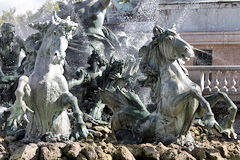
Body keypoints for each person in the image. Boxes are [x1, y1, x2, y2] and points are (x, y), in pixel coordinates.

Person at [0, 22, 25, 104]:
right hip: (2, 73)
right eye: (10, 33)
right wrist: (3, 77)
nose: (13, 35)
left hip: (17, 72)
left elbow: (30, 55)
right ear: (3, 33)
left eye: (14, 32)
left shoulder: (18, 40)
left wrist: (20, 69)